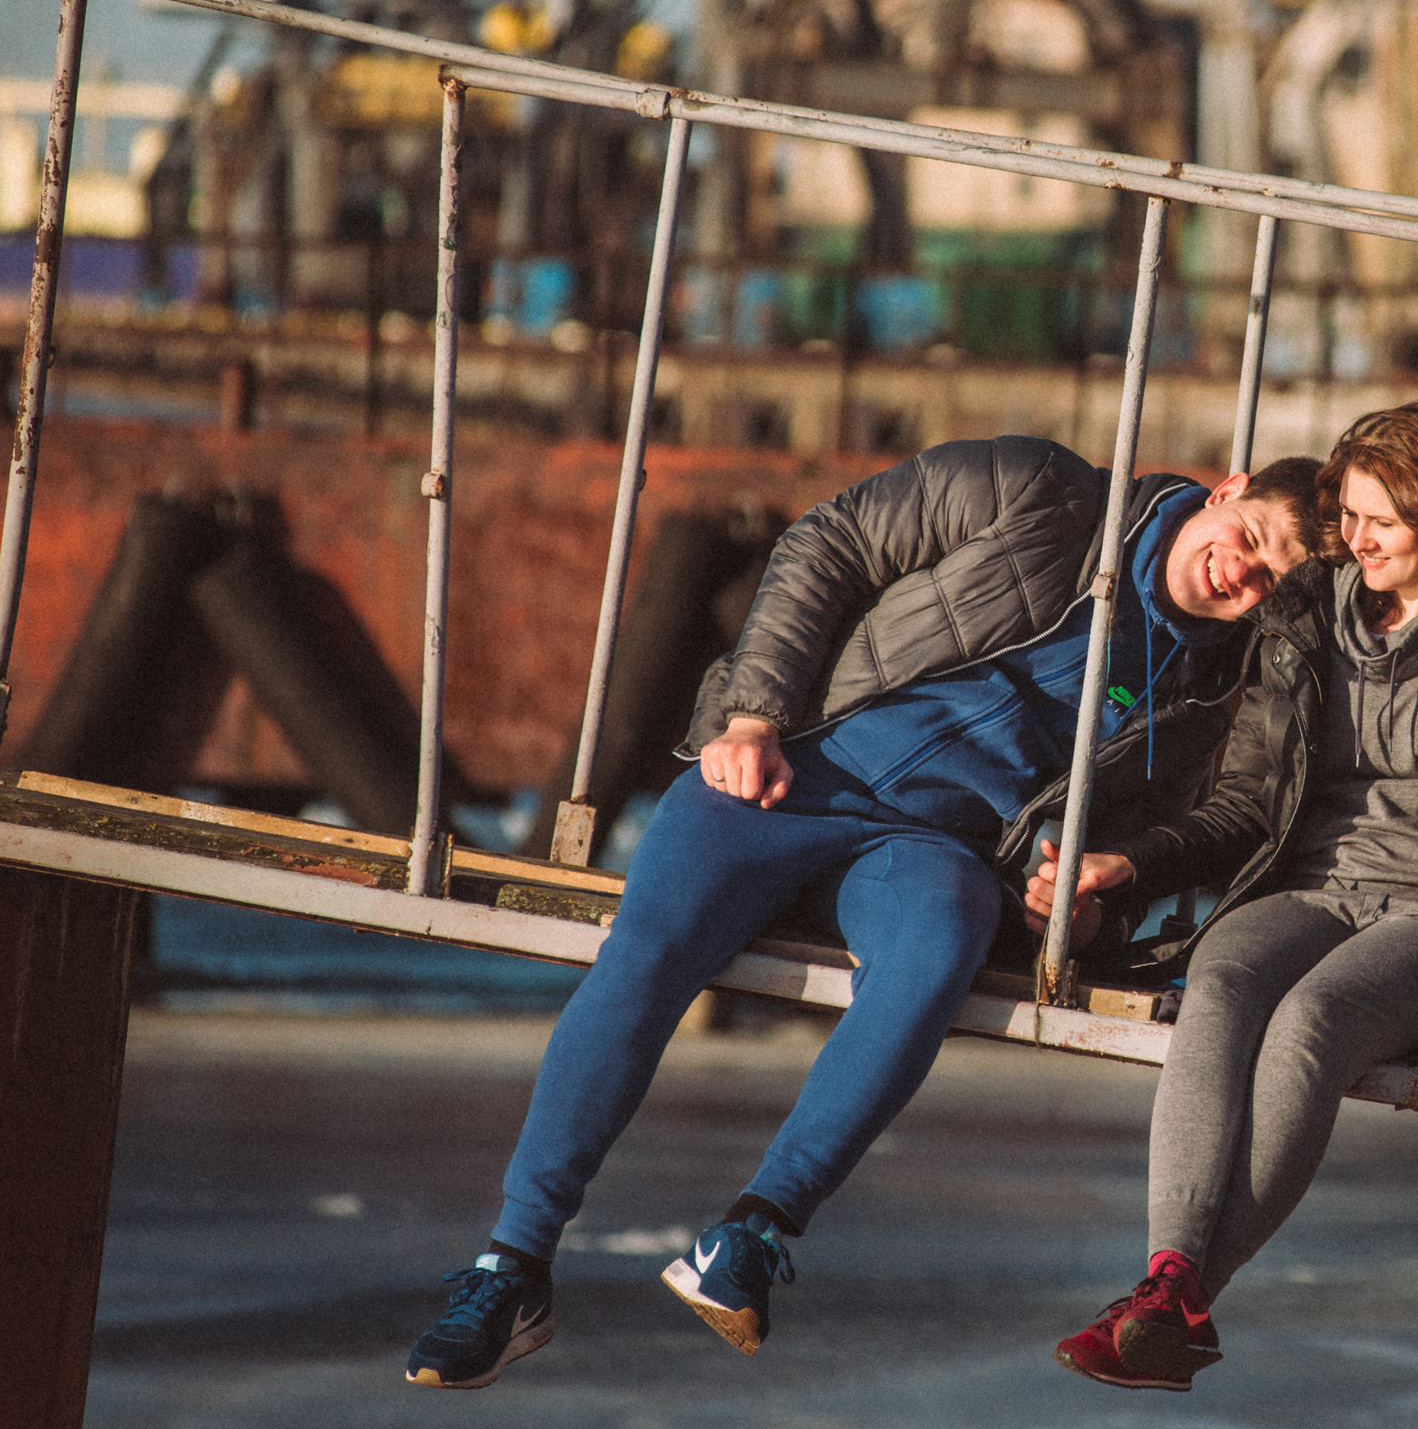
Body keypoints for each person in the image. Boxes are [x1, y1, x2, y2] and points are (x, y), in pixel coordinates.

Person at [403, 435, 1320, 1388]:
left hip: (926, 849)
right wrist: (754, 716)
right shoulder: (1044, 489)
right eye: (1251, 537)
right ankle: (513, 1265)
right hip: (790, 769)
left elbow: (1131, 845)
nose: (1241, 573)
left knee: (943, 944)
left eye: (1268, 582)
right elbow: (829, 542)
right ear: (1228, 489)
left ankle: (754, 1230)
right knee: (652, 950)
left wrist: (1085, 912)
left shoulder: (1204, 691)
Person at [1030, 402, 1418, 1392]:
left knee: (1314, 1016)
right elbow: (1243, 806)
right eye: (1349, 514)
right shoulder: (1304, 616)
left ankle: (1172, 1301)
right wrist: (1127, 863)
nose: (1357, 538)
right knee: (1221, 983)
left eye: (1381, 520)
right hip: (1313, 887)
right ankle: (1170, 1285)